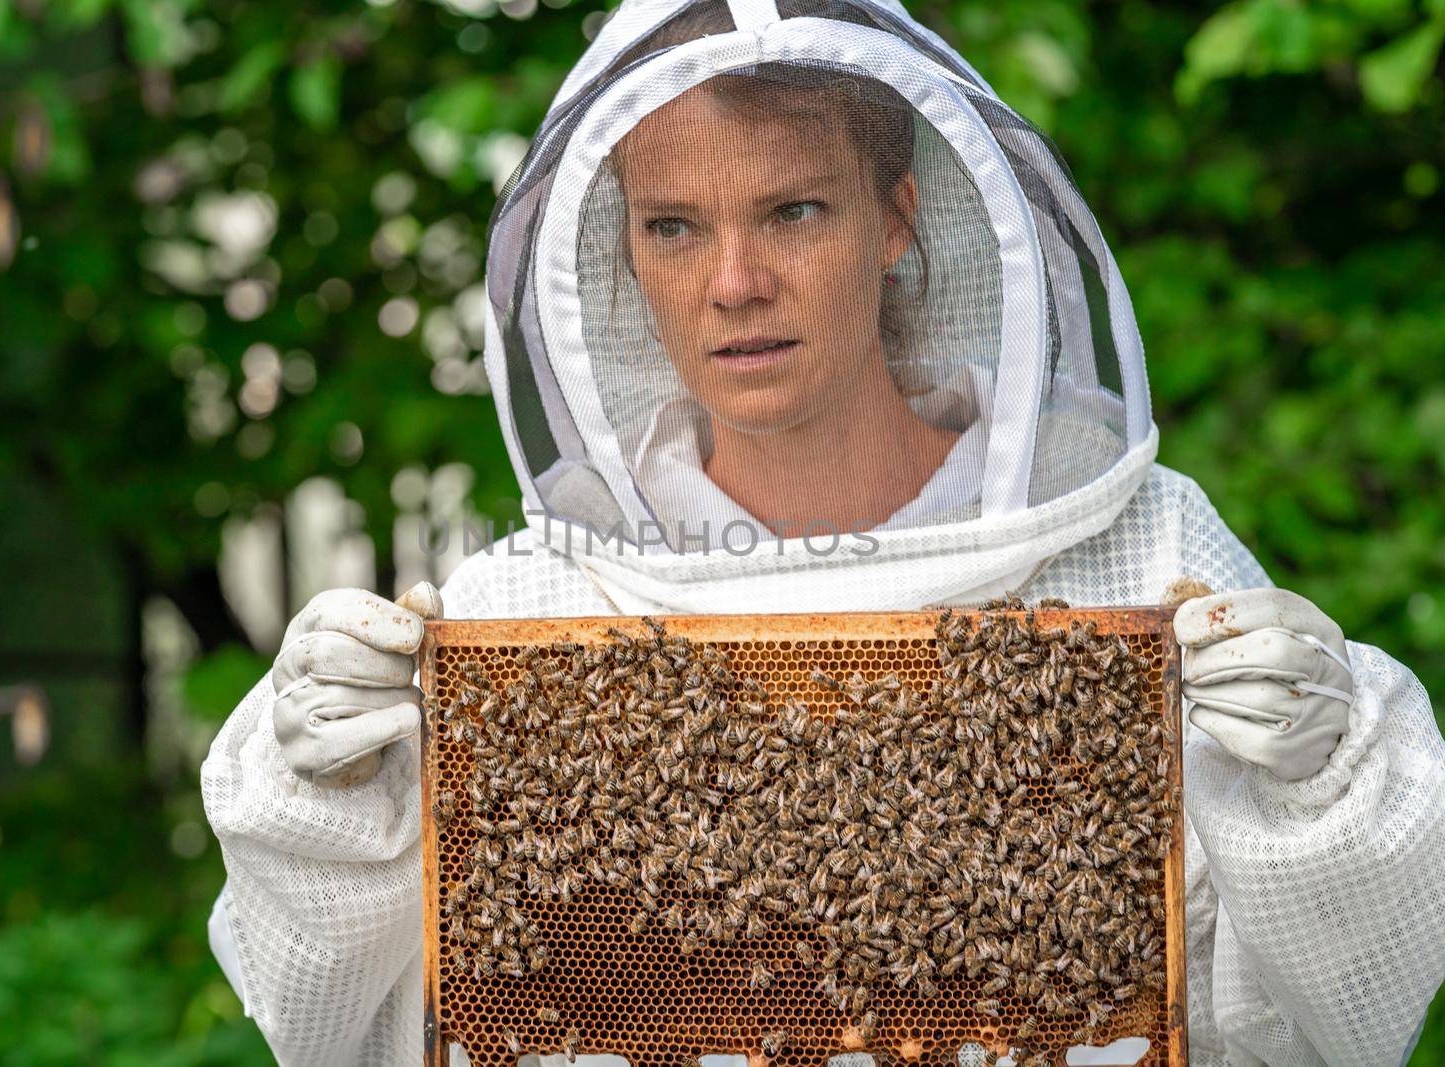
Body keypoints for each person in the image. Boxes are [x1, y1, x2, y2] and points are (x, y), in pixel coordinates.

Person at [200, 1, 1445, 1064]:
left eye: (792, 210)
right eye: (672, 224)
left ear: (898, 217)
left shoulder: (1136, 552)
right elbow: (333, 1026)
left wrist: (1312, 784)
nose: (732, 281)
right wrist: (330, 803)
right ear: (623, 254)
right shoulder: (520, 607)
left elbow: (1339, 1018)